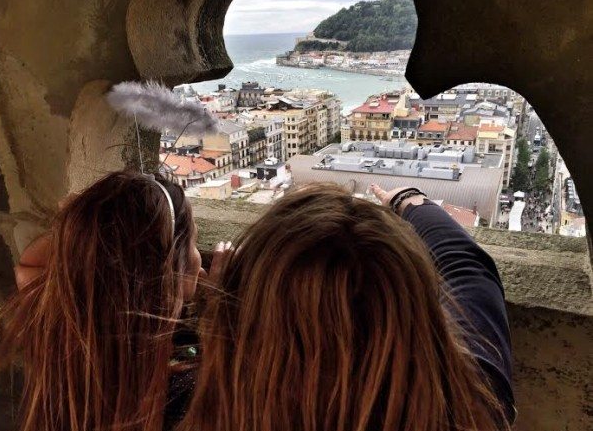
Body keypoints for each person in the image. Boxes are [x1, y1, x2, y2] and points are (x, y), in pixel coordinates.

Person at [182, 183, 515, 431]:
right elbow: (467, 273)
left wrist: (216, 317)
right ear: (421, 319)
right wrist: (410, 202)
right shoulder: (473, 405)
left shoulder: (204, 406)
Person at [0, 171, 205, 431]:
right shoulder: (188, 389)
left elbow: (29, 266)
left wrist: (84, 223)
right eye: (195, 240)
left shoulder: (69, 336)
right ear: (173, 269)